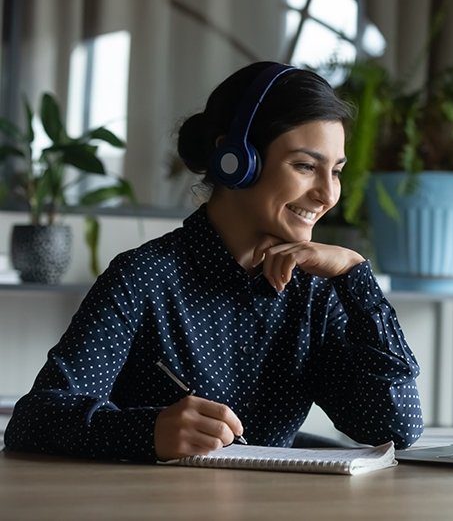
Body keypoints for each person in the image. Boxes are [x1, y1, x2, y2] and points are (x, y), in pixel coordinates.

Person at [4, 62, 424, 462]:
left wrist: (355, 274)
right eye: (304, 166)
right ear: (236, 160)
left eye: (336, 171)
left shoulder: (316, 290)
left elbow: (397, 425)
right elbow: (33, 422)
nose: (327, 194)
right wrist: (149, 432)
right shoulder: (144, 277)